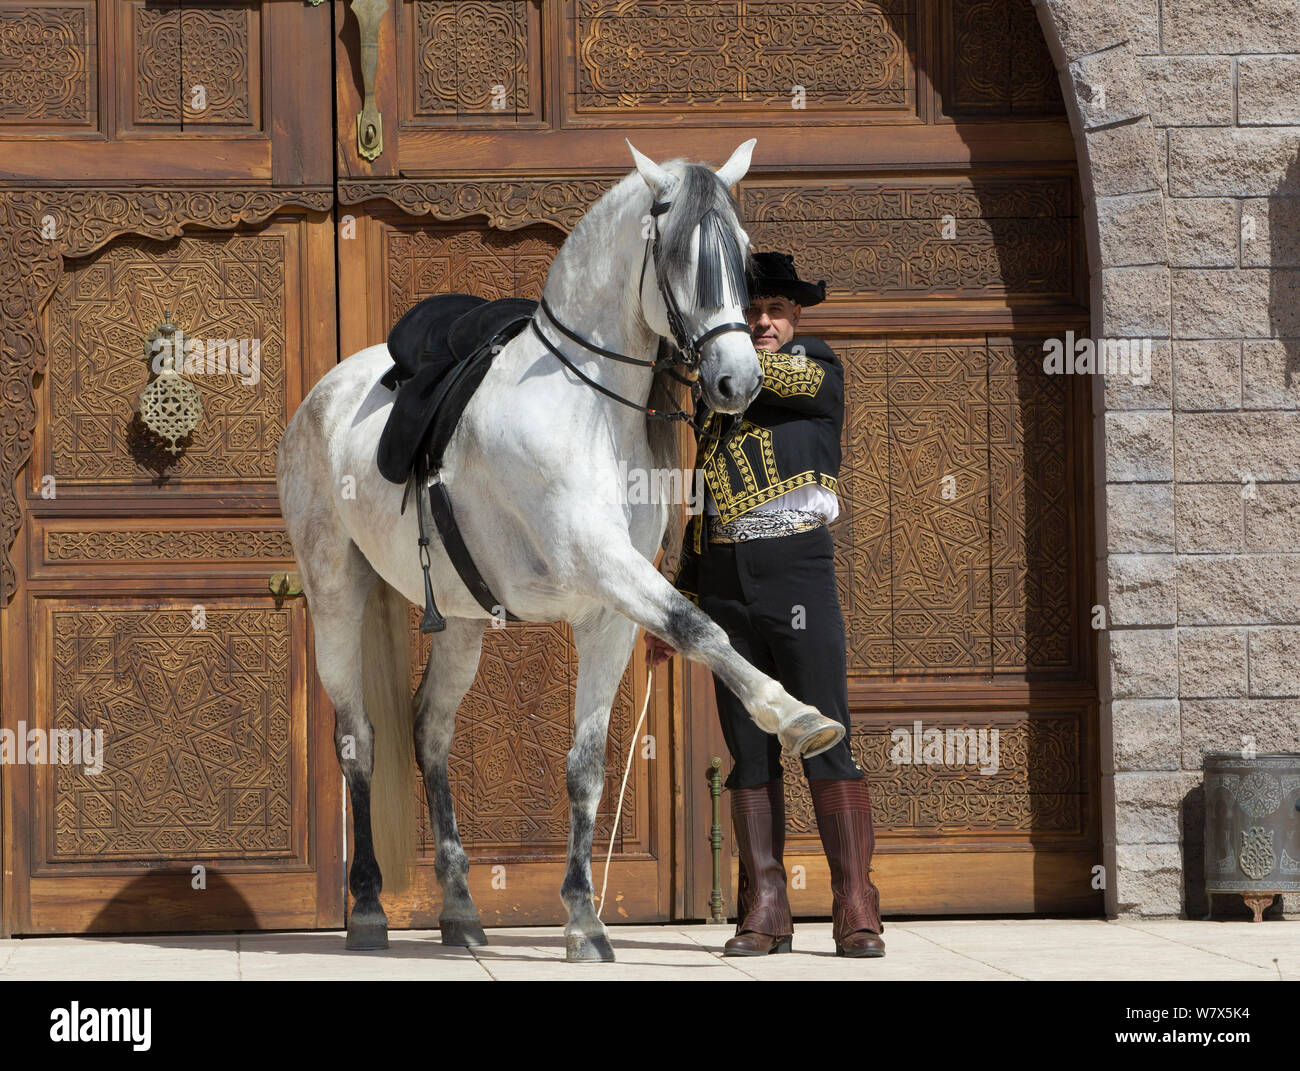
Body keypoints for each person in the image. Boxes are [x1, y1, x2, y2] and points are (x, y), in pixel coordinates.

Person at [647, 252, 884, 958]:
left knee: (824, 732)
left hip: (796, 574)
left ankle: (855, 903)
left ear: (797, 316)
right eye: (752, 310)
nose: (762, 322)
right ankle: (767, 907)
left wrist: (705, 355)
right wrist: (675, 611)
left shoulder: (818, 368)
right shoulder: (717, 408)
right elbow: (701, 511)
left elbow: (760, 376)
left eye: (774, 310)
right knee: (748, 749)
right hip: (723, 582)